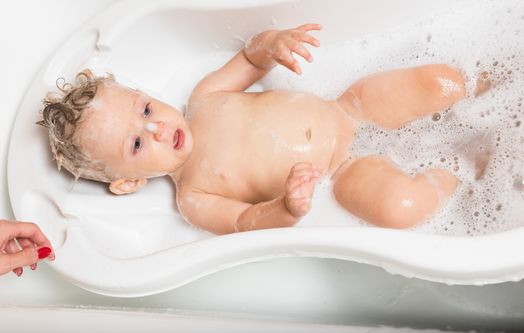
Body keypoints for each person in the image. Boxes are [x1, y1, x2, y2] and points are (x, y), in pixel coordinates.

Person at [38, 23, 466, 235]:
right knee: (402, 206)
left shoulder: (205, 97)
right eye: (135, 143)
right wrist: (288, 207)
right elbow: (246, 222)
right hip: (344, 170)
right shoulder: (194, 198)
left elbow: (251, 59)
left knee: (445, 82)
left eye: (146, 108)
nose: (155, 128)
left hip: (349, 109)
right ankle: (464, 170)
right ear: (129, 182)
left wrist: (273, 43)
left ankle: (493, 84)